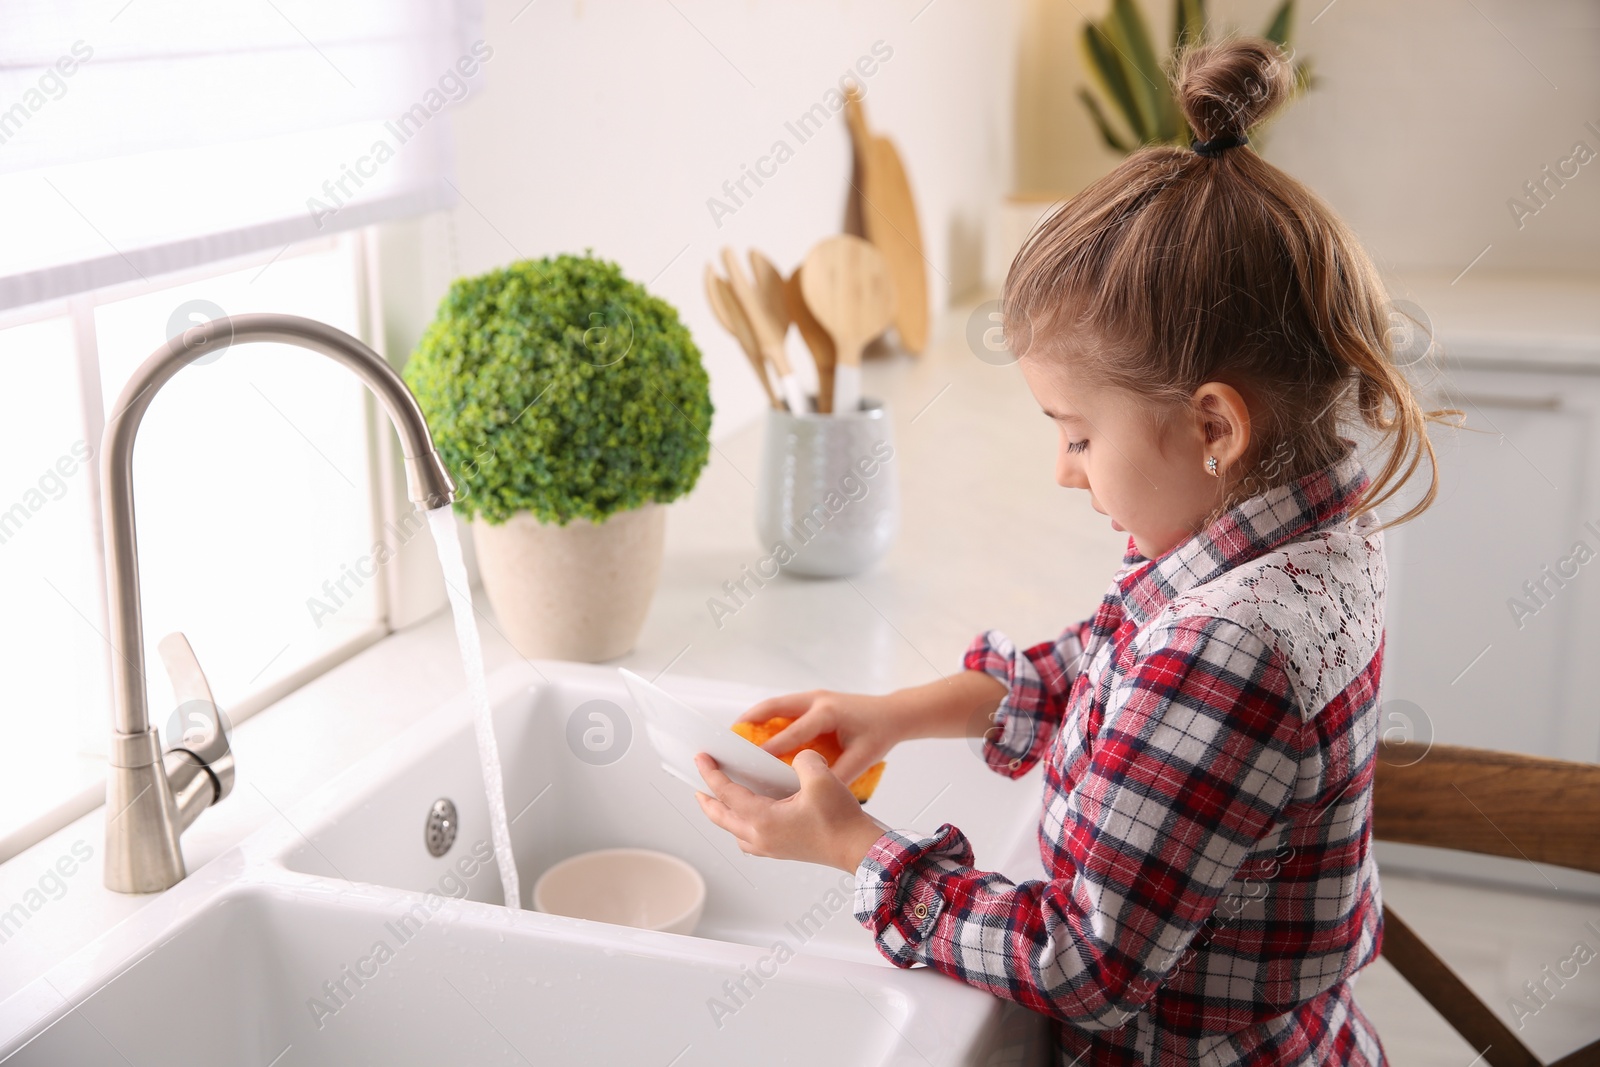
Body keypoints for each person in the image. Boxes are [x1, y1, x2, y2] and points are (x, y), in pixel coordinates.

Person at [694, 34, 1453, 1065]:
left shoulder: (1227, 644)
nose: (1062, 468)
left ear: (1214, 428)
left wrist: (854, 849)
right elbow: (1093, 668)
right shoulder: (1283, 541)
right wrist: (894, 715)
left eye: (1078, 435)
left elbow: (1078, 960)